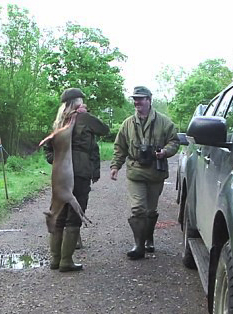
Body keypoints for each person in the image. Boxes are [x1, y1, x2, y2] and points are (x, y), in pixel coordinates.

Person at [110, 86, 180, 260]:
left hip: (155, 171)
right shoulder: (127, 124)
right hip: (136, 171)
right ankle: (138, 245)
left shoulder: (165, 122)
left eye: (140, 99)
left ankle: (149, 238)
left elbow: (174, 142)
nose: (137, 102)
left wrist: (164, 152)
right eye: (135, 99)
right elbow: (120, 147)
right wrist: (115, 166)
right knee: (137, 208)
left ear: (149, 100)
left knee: (150, 210)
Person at [43, 88, 109, 272]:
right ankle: (66, 261)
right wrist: (86, 115)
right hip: (79, 173)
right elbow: (105, 129)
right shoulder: (83, 118)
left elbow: (48, 150)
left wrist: (55, 160)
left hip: (60, 174)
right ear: (79, 102)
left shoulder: (58, 123)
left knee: (59, 214)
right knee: (74, 215)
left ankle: (55, 260)